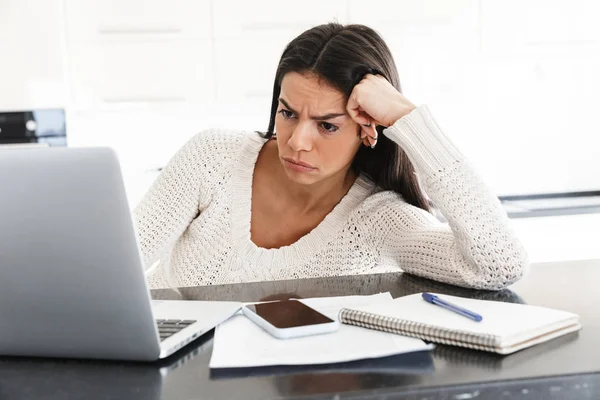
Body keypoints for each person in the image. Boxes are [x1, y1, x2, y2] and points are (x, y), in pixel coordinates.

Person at [134, 23, 528, 290]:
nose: (297, 142)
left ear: (368, 128)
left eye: (327, 125)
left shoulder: (377, 219)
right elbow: (116, 266)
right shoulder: (213, 157)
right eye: (288, 113)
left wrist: (410, 121)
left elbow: (497, 265)